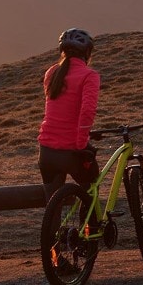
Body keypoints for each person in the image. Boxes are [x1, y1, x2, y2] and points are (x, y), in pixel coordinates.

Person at [38, 28, 101, 203]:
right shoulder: (90, 75)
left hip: (47, 152)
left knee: (52, 204)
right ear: (87, 52)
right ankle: (91, 228)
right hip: (71, 150)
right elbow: (87, 112)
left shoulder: (52, 72)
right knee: (93, 187)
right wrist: (81, 146)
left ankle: (51, 231)